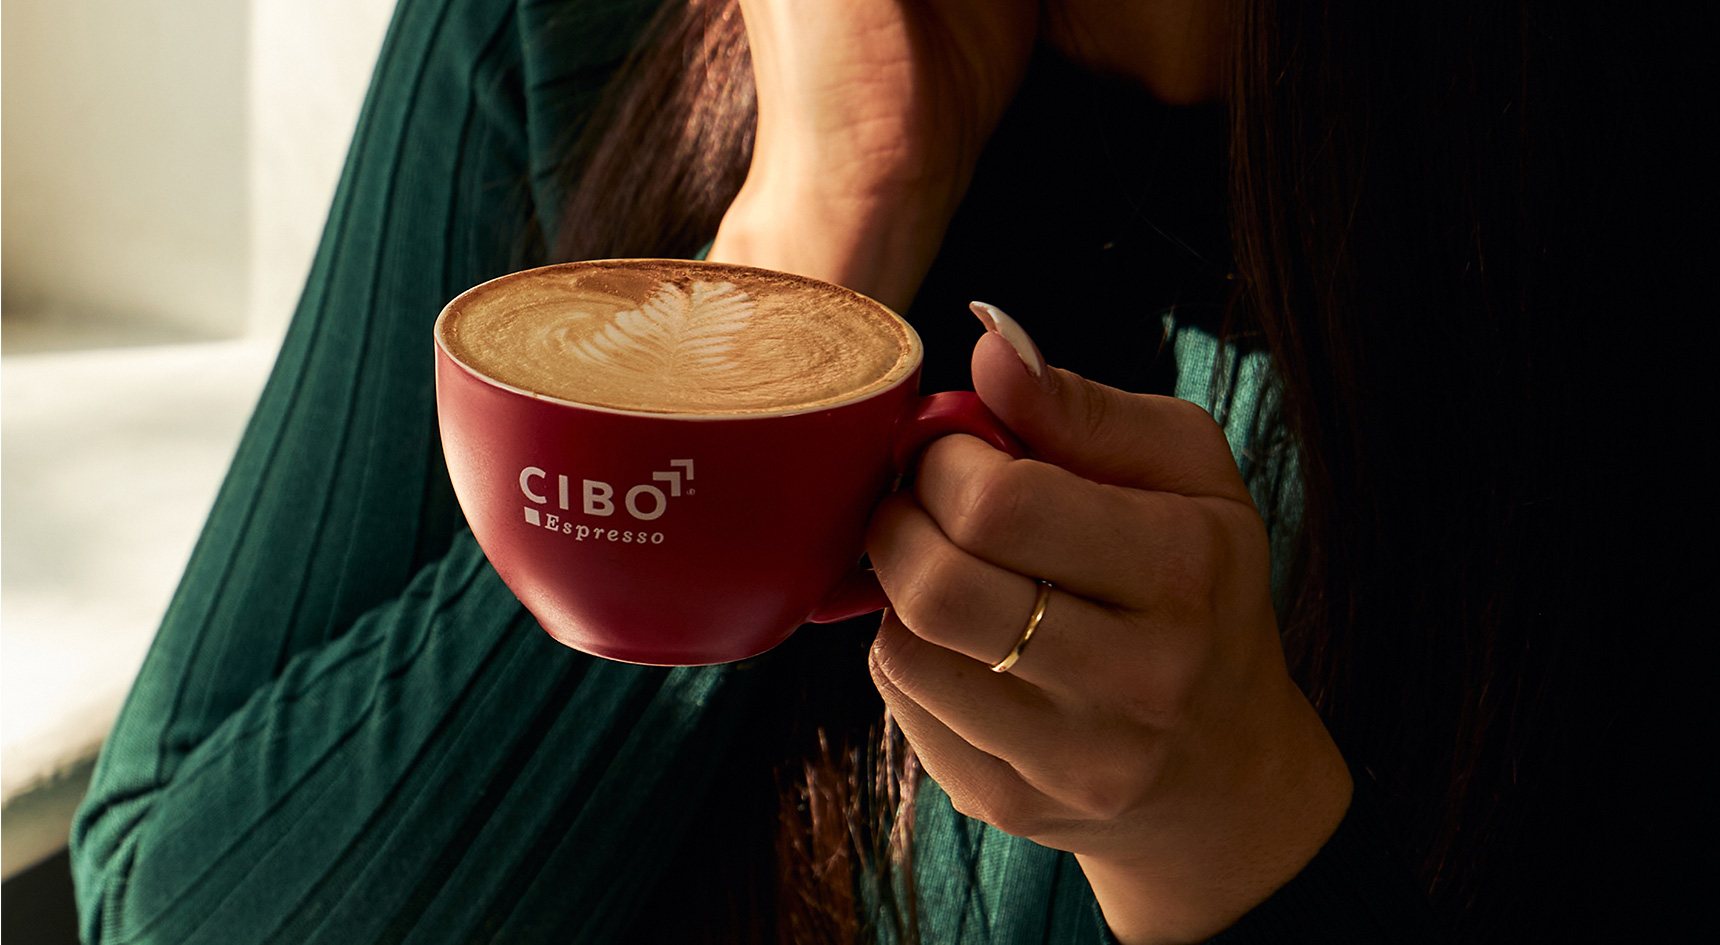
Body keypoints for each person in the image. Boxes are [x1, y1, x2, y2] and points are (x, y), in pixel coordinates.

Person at [70, 0, 1708, 943]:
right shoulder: (593, 25)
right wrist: (803, 244)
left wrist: (1233, 836)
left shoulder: (1600, 170)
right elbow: (171, 904)